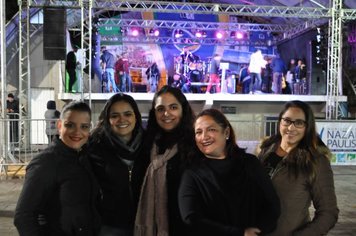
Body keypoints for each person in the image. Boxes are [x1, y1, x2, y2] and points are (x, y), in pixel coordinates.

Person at [178, 108, 280, 236]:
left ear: (226, 132)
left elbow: (272, 205)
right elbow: (191, 218)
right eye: (198, 132)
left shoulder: (250, 163)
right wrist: (239, 233)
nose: (204, 137)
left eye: (211, 129)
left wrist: (258, 231)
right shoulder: (192, 174)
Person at [14, 101, 101, 236]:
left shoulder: (85, 158)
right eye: (70, 125)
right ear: (60, 126)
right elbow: (23, 217)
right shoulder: (46, 162)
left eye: (84, 127)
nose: (77, 132)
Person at [258, 100, 339, 235]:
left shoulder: (316, 161)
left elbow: (328, 213)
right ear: (280, 122)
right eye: (287, 121)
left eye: (299, 123)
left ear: (308, 127)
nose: (291, 128)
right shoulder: (265, 151)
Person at [135, 85, 196, 236]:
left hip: (186, 228)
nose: (166, 113)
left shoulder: (195, 144)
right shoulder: (147, 144)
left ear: (183, 109)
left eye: (173, 107)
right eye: (160, 109)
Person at [89, 93, 150, 236]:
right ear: (107, 119)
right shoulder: (94, 147)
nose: (122, 119)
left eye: (127, 114)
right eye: (115, 115)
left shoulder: (150, 145)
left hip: (143, 223)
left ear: (136, 116)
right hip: (109, 226)